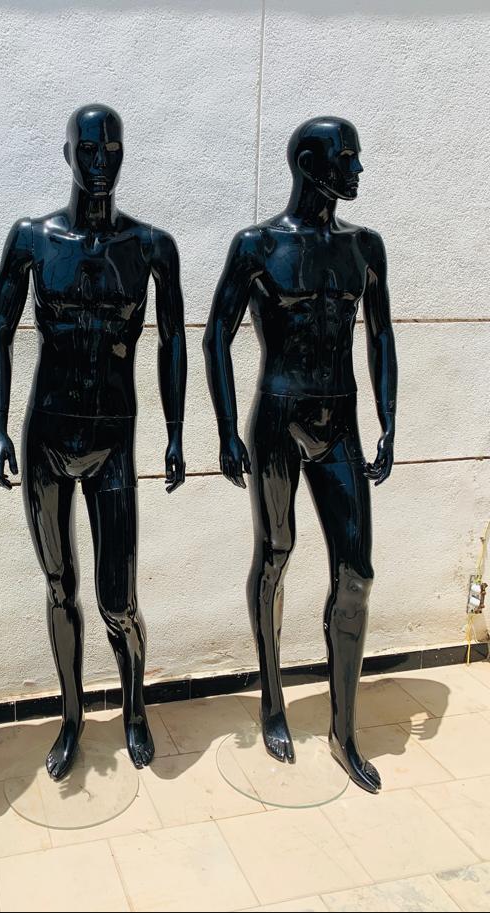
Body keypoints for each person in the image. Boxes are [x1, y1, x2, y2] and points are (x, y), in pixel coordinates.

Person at [0, 104, 187, 779]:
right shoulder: (33, 239)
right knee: (58, 585)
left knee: (118, 599)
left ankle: (133, 707)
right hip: (45, 434)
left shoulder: (151, 246)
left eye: (112, 149)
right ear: (67, 154)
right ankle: (71, 716)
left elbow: (175, 341)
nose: (101, 162)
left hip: (113, 439)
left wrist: (177, 432)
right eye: (89, 150)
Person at [204, 116, 397, 793]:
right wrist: (226, 429)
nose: (358, 170)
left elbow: (381, 335)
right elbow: (216, 334)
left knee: (357, 571)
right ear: (312, 164)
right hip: (279, 419)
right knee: (276, 554)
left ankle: (345, 732)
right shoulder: (258, 245)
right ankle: (273, 699)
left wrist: (389, 421)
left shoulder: (364, 247)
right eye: (348, 158)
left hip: (340, 419)